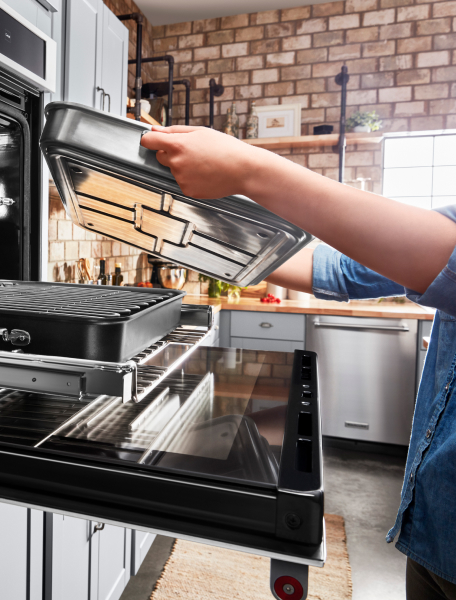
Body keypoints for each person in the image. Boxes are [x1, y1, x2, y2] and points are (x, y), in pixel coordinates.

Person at [141, 125, 456, 600]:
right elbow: (333, 268)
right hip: (432, 522)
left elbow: (442, 256)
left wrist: (247, 167)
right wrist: (185, 234)